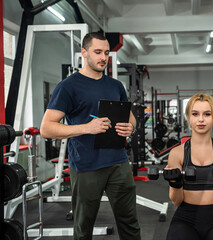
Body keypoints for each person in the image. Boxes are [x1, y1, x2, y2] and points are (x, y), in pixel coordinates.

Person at [40, 32, 141, 240]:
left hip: (118, 163)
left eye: (106, 52)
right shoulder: (68, 87)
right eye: (97, 52)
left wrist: (130, 128)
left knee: (130, 223)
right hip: (86, 166)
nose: (103, 57)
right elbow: (46, 128)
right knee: (83, 227)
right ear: (84, 53)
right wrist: (87, 128)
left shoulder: (116, 86)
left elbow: (131, 119)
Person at [165, 93, 213, 240]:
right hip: (185, 217)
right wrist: (175, 184)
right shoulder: (177, 153)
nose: (201, 119)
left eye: (207, 114)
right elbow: (176, 201)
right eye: (195, 114)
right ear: (188, 118)